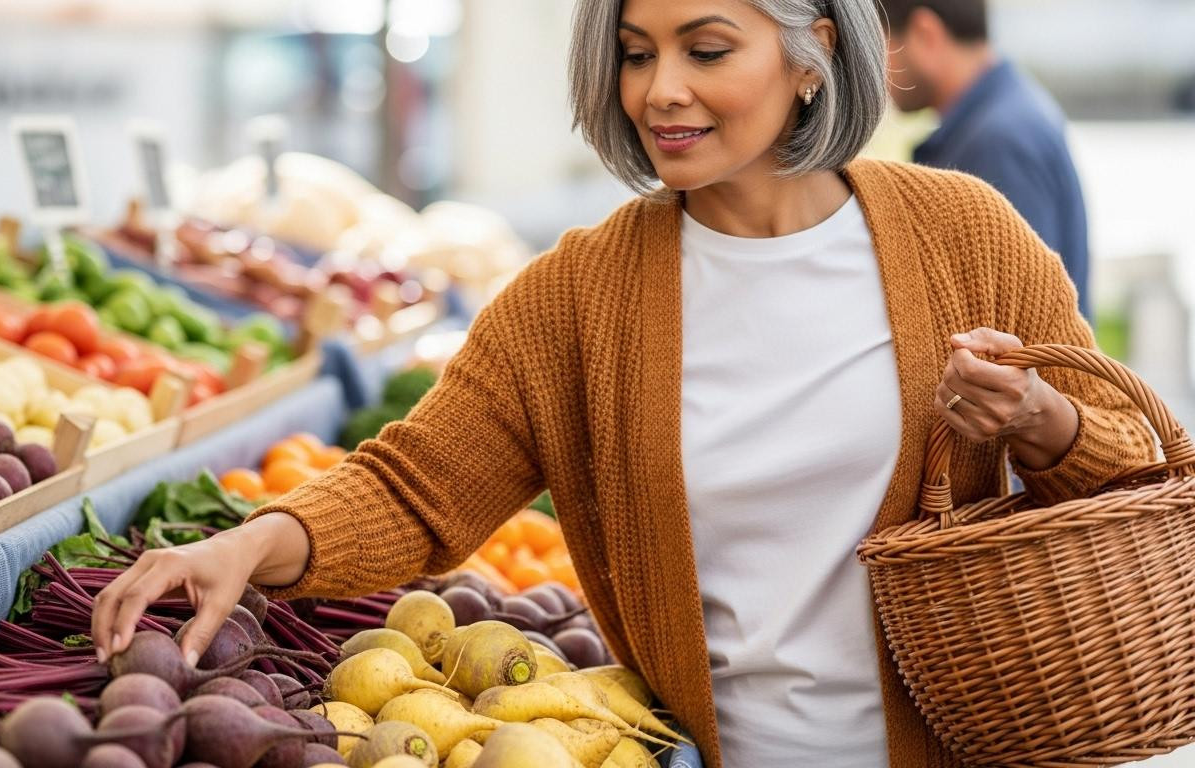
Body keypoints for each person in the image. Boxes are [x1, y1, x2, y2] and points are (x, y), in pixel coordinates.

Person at [91, 1, 1153, 765]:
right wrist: (245, 543)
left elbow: (1133, 468)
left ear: (811, 53)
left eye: (706, 47)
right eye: (636, 52)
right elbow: (418, 486)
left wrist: (1046, 425)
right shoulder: (579, 296)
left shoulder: (963, 234)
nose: (659, 90)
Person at [876, 0, 1093, 319]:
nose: (878, 68)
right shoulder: (1005, 117)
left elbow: (1019, 325)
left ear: (926, 33)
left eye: (882, 43)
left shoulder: (998, 142)